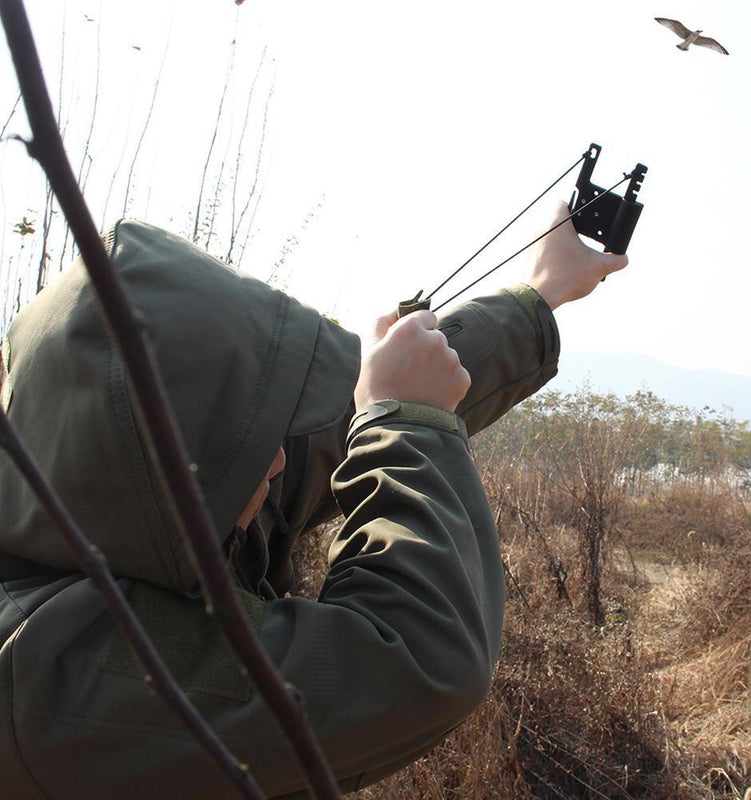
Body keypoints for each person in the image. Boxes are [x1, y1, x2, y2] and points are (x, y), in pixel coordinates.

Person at [0, 202, 625, 798]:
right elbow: (416, 661)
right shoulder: (52, 677)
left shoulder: (112, 499)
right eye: (247, 448)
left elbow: (330, 428)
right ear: (164, 473)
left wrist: (539, 295)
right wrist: (405, 422)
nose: (277, 461)